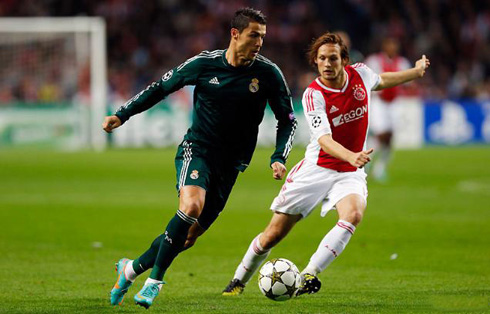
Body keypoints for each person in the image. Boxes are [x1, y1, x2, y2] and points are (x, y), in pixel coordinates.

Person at [103, 8, 297, 309]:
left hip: (232, 164)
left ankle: (129, 269)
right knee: (191, 206)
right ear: (235, 34)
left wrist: (278, 156)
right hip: (198, 149)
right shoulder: (204, 64)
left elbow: (287, 120)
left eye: (263, 36)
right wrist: (121, 115)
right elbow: (160, 88)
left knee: (188, 237)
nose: (260, 42)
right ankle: (154, 283)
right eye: (254, 35)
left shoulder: (268, 73)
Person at [222, 32, 429, 296]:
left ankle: (309, 273)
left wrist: (415, 72)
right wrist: (351, 155)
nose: (327, 64)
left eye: (333, 58)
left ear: (344, 60)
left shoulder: (361, 75)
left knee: (353, 214)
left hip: (349, 172)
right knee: (273, 234)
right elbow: (323, 139)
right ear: (316, 62)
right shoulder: (313, 94)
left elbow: (382, 80)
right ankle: (238, 280)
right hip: (316, 170)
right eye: (322, 59)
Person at [364, 37, 412, 182]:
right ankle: (365, 163)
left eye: (394, 44)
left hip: (394, 103)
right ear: (384, 46)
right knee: (380, 134)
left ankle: (379, 168)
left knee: (389, 139)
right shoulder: (374, 61)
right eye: (390, 44)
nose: (392, 47)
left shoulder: (402, 62)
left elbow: (408, 83)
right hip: (379, 102)